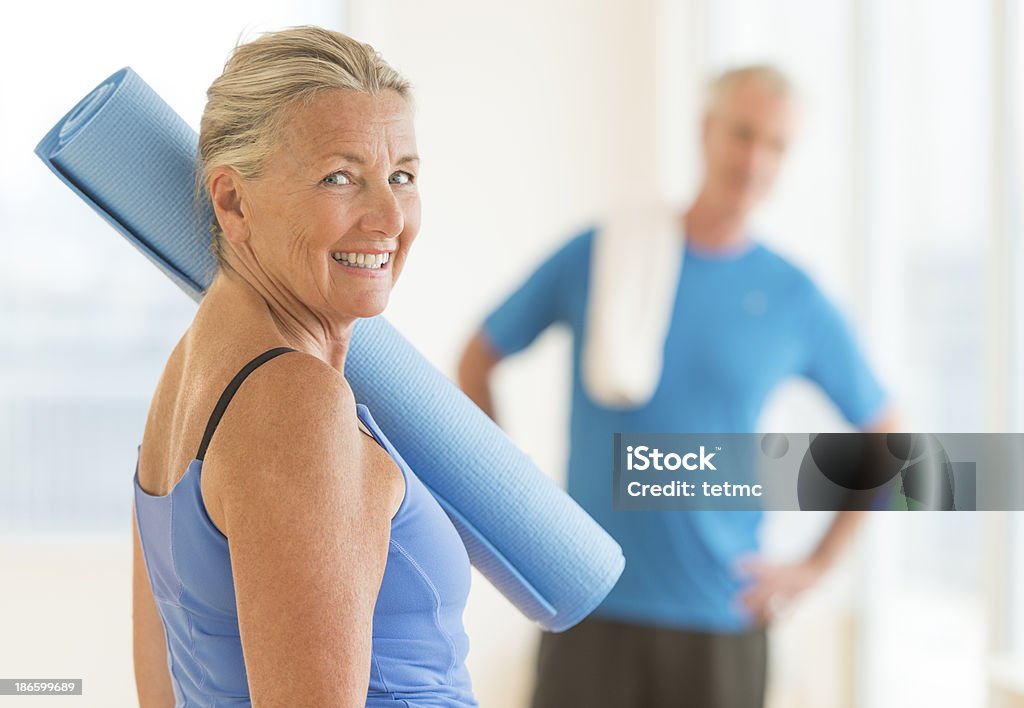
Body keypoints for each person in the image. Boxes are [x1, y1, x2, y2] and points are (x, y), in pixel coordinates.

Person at [457, 65, 896, 708]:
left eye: (776, 145)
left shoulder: (792, 296)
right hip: (586, 606)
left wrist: (815, 568)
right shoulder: (603, 254)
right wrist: (512, 498)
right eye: (743, 134)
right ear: (706, 131)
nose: (755, 160)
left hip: (720, 621)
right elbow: (479, 356)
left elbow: (890, 440)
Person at [131, 27, 477, 707]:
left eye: (402, 175)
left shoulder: (188, 372)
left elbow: (163, 690)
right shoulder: (296, 402)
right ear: (231, 201)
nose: (389, 218)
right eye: (339, 176)